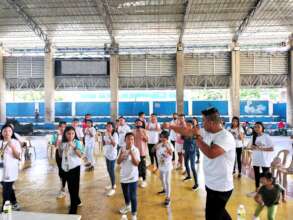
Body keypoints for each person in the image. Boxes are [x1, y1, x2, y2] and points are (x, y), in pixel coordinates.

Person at [171, 107, 236, 220]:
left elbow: (211, 153)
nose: (202, 124)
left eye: (203, 121)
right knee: (219, 213)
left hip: (221, 187)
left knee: (212, 216)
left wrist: (197, 137)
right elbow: (187, 131)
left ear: (211, 122)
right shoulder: (207, 132)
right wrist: (171, 127)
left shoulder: (225, 137)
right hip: (211, 184)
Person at [59, 126, 84, 214]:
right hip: (66, 167)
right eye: (68, 133)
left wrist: (73, 147)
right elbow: (60, 155)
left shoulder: (77, 142)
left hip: (75, 168)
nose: (70, 135)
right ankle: (77, 201)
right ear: (65, 134)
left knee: (74, 188)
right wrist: (59, 147)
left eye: (72, 133)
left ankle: (73, 209)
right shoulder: (63, 143)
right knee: (70, 187)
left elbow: (81, 155)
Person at [117, 132, 140, 220]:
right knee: (125, 194)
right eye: (128, 139)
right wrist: (122, 155)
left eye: (132, 139)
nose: (130, 141)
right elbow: (118, 162)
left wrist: (131, 153)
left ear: (134, 141)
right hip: (123, 176)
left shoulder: (136, 150)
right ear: (125, 140)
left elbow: (136, 163)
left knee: (133, 196)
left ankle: (134, 214)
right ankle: (128, 206)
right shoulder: (121, 149)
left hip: (133, 177)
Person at [248, 122, 274, 195]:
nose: (256, 128)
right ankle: (257, 190)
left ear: (262, 128)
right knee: (256, 175)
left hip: (265, 160)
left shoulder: (266, 136)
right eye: (255, 127)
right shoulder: (253, 137)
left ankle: (267, 190)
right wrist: (251, 148)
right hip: (256, 159)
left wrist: (261, 149)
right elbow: (251, 147)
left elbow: (272, 148)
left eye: (258, 127)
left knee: (266, 176)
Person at [0, 124, 21, 211]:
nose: (7, 133)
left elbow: (17, 156)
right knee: (8, 188)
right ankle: (15, 203)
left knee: (6, 191)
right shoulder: (0, 142)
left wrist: (11, 146)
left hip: (10, 171)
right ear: (1, 132)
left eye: (9, 131)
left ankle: (6, 209)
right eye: (5, 131)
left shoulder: (15, 142)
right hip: (1, 170)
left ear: (12, 133)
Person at [156, 131, 174, 207]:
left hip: (167, 166)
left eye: (164, 137)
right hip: (161, 165)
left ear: (167, 138)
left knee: (167, 181)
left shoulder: (169, 144)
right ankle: (164, 190)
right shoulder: (159, 145)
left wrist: (167, 148)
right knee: (161, 178)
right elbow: (155, 151)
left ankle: (168, 197)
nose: (162, 138)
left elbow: (171, 154)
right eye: (161, 137)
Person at [50, 121, 67, 198]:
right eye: (61, 127)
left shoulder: (68, 134)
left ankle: (65, 187)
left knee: (67, 171)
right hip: (58, 154)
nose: (63, 128)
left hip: (67, 154)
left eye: (64, 127)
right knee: (60, 171)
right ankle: (62, 188)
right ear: (59, 127)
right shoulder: (55, 135)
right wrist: (58, 137)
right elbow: (54, 144)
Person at [182, 120, 199, 191]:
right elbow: (182, 138)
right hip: (186, 150)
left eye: (189, 125)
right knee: (185, 163)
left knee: (192, 167)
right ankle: (189, 176)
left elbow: (193, 141)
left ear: (192, 126)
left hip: (192, 151)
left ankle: (196, 184)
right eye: (187, 125)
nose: (187, 126)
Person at [103, 122, 118, 196]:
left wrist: (110, 136)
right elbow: (105, 143)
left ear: (113, 128)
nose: (108, 128)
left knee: (111, 170)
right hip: (107, 154)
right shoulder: (105, 133)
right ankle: (113, 183)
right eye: (107, 126)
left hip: (112, 155)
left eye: (110, 126)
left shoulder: (115, 134)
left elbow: (114, 144)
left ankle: (113, 188)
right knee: (108, 170)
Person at [133, 119, 148, 188]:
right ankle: (139, 176)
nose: (138, 124)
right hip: (135, 151)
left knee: (143, 166)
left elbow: (147, 140)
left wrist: (142, 134)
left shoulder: (144, 131)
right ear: (135, 124)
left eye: (139, 123)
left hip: (142, 151)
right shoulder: (133, 131)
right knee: (136, 165)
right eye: (137, 123)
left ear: (141, 124)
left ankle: (144, 180)